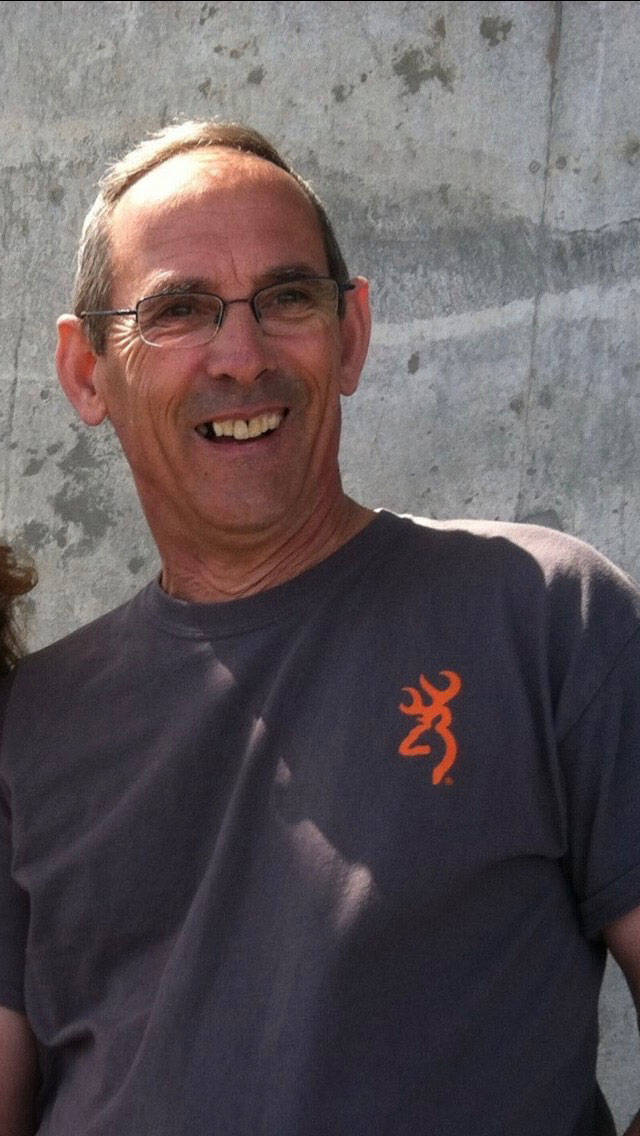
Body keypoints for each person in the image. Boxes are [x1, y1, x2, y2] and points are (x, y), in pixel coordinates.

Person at [0, 120, 638, 1136]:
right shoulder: (29, 722)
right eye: (178, 310)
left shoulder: (545, 614)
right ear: (87, 372)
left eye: (288, 297)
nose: (240, 356)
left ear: (352, 332)